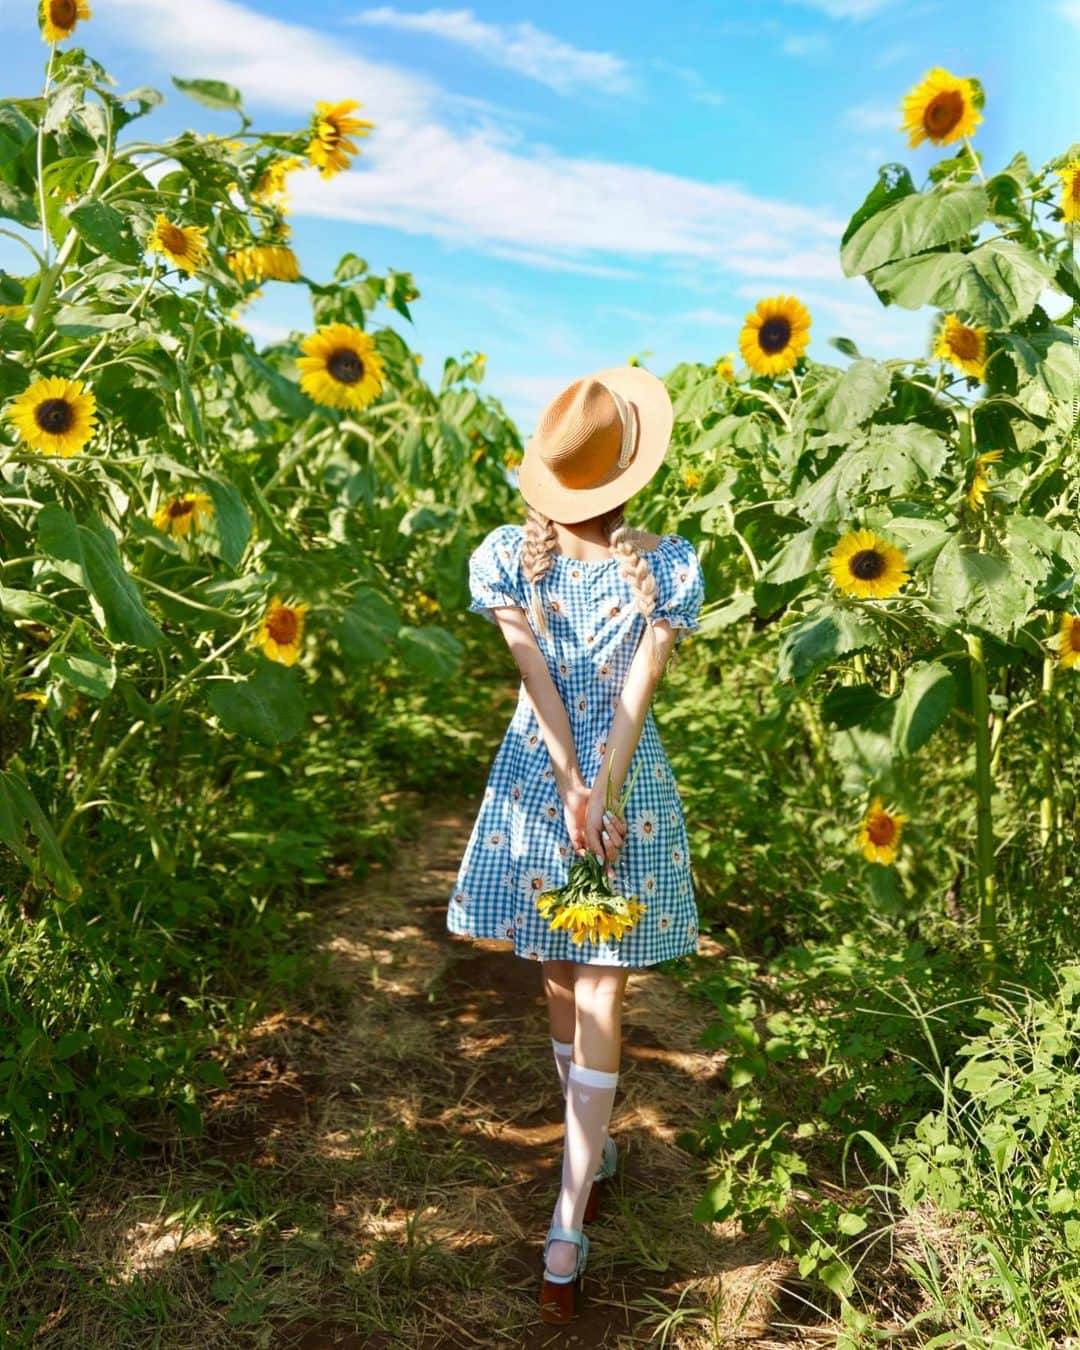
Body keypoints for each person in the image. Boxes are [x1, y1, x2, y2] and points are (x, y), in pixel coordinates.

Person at [445, 366, 705, 1324]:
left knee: (560, 967)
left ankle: (580, 1169)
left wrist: (566, 783)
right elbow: (637, 698)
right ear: (628, 478)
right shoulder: (667, 564)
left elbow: (537, 686)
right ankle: (569, 1218)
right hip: (625, 791)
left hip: (537, 788)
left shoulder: (507, 558)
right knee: (602, 983)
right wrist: (608, 782)